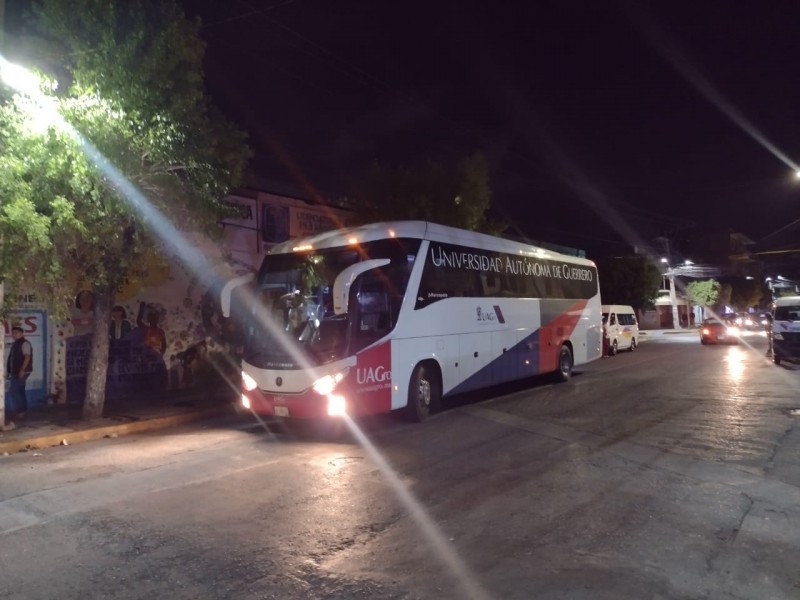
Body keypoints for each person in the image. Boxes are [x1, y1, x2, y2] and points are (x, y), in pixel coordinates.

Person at [5, 326, 32, 430]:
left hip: (21, 372)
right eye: (13, 333)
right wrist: (9, 372)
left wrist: (22, 369)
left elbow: (27, 357)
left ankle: (21, 412)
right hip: (16, 372)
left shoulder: (24, 343)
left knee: (15, 391)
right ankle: (22, 411)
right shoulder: (16, 344)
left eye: (16, 333)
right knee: (19, 391)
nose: (14, 335)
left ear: (21, 333)